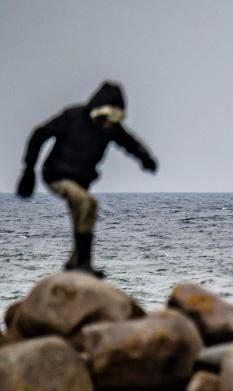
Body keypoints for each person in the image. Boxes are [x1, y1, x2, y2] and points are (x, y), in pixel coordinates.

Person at [16, 81, 158, 277]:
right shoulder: (73, 117)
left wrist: (146, 159)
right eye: (109, 115)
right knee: (87, 203)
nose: (111, 122)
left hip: (81, 181)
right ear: (97, 110)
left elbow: (130, 144)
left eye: (117, 117)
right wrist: (28, 169)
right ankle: (83, 264)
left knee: (85, 211)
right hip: (56, 175)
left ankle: (76, 262)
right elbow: (40, 133)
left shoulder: (111, 130)